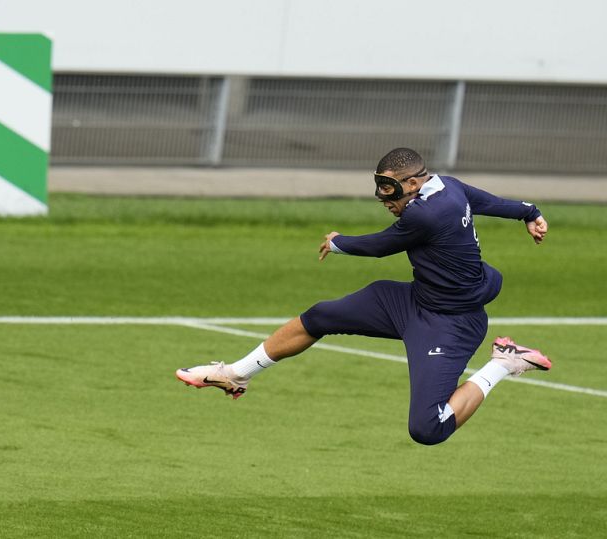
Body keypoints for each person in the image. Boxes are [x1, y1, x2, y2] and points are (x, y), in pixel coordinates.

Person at [175, 147, 552, 446]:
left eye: (392, 191)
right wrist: (529, 213)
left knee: (428, 429)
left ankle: (503, 363)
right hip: (413, 302)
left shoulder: (426, 215)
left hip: (450, 324)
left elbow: (381, 246)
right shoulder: (448, 185)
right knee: (321, 316)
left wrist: (339, 242)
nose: (386, 200)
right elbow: (488, 202)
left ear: (415, 182)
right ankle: (236, 375)